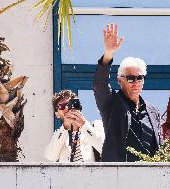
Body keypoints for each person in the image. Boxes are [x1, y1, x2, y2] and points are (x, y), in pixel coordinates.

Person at [93, 23, 162, 162]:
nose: (136, 82)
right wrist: (108, 54)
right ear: (120, 80)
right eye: (130, 78)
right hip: (120, 177)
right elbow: (100, 85)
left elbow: (159, 146)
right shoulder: (111, 103)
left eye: (139, 78)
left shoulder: (152, 111)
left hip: (150, 178)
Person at [44, 90, 105, 162]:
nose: (67, 108)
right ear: (57, 114)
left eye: (70, 104)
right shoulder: (59, 135)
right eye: (62, 106)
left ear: (78, 107)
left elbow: (106, 150)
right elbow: (51, 157)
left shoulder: (96, 126)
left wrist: (83, 125)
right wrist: (65, 128)